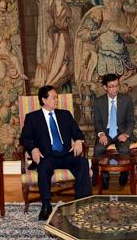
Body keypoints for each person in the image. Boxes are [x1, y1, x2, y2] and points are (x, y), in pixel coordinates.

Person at [20, 85, 92, 220]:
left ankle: (81, 202)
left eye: (57, 97)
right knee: (43, 167)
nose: (57, 100)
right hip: (47, 156)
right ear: (44, 100)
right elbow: (24, 138)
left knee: (82, 162)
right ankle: (46, 205)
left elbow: (77, 132)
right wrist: (33, 149)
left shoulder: (65, 115)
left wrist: (78, 140)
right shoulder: (32, 118)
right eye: (54, 98)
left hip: (66, 154)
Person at [75, 0, 136, 85]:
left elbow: (126, 36)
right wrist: (100, 31)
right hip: (103, 58)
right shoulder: (99, 13)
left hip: (122, 58)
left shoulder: (120, 14)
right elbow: (83, 35)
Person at [32, 0, 73, 89]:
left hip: (48, 29)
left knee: (49, 53)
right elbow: (61, 15)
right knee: (54, 54)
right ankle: (52, 80)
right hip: (52, 30)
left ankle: (48, 79)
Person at [93, 73, 137, 188]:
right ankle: (104, 177)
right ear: (105, 87)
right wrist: (101, 134)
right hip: (106, 132)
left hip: (121, 131)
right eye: (111, 86)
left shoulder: (126, 99)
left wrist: (126, 134)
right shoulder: (98, 101)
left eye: (117, 85)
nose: (115, 89)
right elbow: (97, 121)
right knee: (98, 149)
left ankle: (124, 175)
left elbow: (131, 120)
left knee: (124, 149)